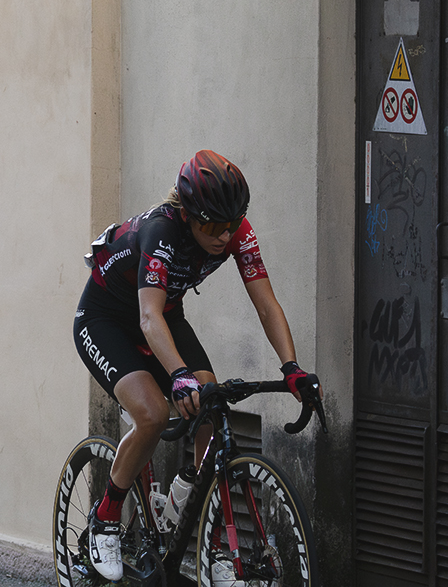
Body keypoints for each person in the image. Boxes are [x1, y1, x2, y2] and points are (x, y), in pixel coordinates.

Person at [71, 150, 320, 581]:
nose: (224, 235)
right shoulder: (161, 232)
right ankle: (106, 516)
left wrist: (292, 368)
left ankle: (211, 537)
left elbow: (266, 304)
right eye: (213, 226)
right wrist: (178, 375)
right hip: (106, 319)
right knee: (152, 413)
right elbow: (148, 318)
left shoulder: (235, 231)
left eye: (232, 224)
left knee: (211, 401)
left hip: (164, 316)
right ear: (188, 216)